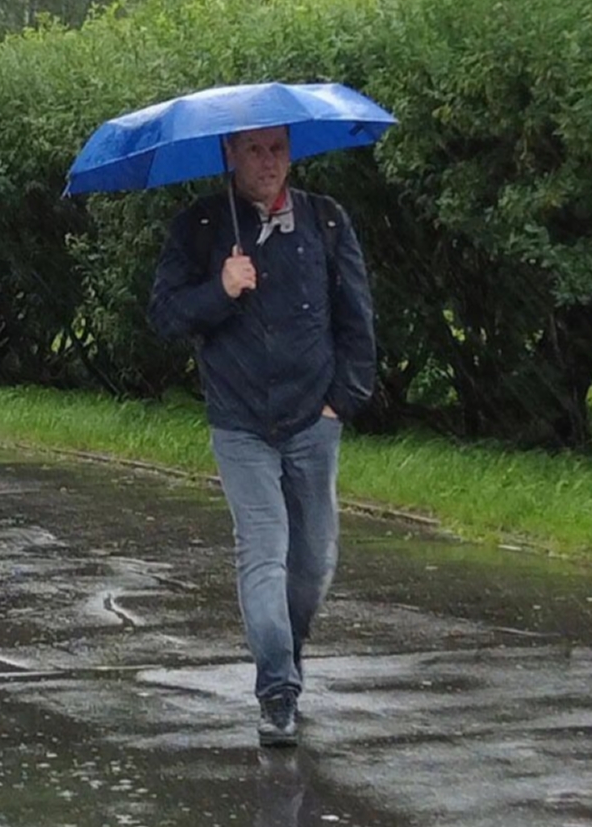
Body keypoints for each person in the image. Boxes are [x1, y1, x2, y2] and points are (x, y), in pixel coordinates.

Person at [147, 125, 377, 747]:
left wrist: (341, 403)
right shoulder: (198, 227)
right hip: (240, 423)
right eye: (254, 150)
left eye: (278, 148)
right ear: (229, 154)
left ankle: (287, 650)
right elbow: (165, 315)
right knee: (264, 551)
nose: (269, 162)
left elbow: (356, 316)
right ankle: (277, 691)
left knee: (313, 564)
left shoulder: (325, 222)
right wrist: (219, 290)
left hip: (313, 420)